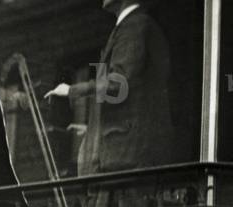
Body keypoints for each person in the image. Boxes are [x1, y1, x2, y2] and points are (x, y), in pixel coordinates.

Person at [45, 0, 174, 176]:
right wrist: (91, 129)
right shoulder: (134, 25)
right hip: (125, 151)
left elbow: (118, 84)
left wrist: (71, 90)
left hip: (127, 154)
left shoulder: (134, 25)